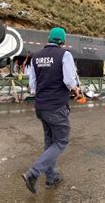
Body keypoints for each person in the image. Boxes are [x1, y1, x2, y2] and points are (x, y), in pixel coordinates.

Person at [22, 27, 80, 194]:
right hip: (56, 106)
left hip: (40, 106)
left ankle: (51, 177)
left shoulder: (36, 56)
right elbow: (69, 80)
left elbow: (33, 86)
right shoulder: (64, 55)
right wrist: (75, 90)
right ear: (62, 41)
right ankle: (33, 173)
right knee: (61, 141)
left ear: (49, 39)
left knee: (50, 142)